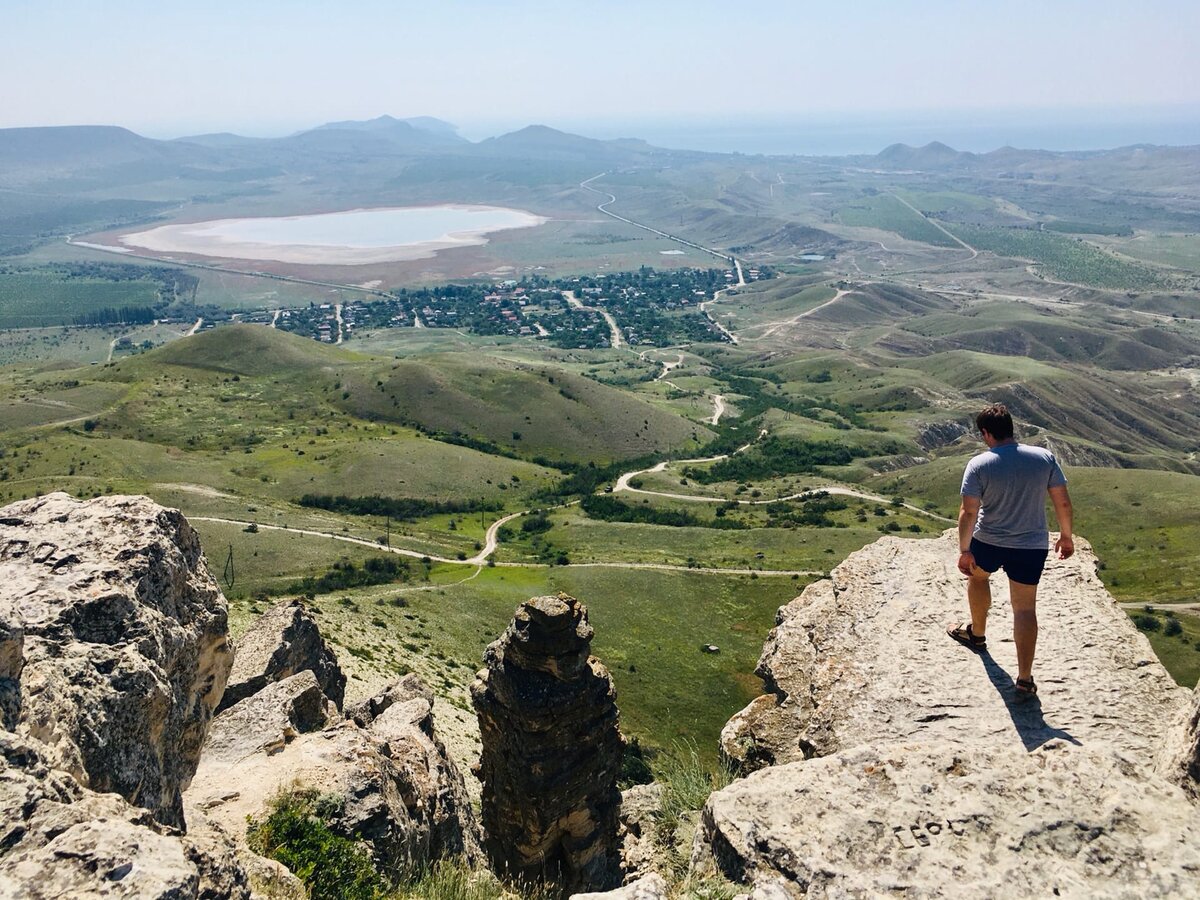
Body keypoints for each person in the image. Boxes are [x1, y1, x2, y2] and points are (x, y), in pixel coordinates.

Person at [947, 404, 1074, 697]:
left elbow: (968, 512)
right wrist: (1066, 537)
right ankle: (1025, 678)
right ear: (1011, 429)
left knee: (978, 579)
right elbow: (1063, 503)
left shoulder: (980, 464)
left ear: (985, 433)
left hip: (988, 540)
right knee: (1025, 608)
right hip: (1030, 545)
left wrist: (964, 550)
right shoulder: (1044, 458)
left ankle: (977, 634)